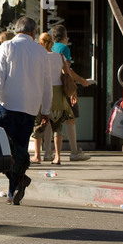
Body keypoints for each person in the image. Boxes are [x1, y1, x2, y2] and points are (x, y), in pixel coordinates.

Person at [0, 16, 52, 205]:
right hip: (30, 108)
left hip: (7, 105)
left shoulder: (6, 47)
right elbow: (47, 84)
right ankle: (13, 190)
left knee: (3, 151)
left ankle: (17, 183)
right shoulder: (41, 52)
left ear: (16, 30)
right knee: (21, 150)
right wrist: (46, 110)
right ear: (33, 32)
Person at [31, 33, 75, 165]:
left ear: (40, 43)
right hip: (58, 93)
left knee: (38, 124)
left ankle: (37, 155)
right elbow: (67, 74)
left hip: (43, 91)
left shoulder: (39, 57)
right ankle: (58, 157)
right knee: (57, 126)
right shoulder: (60, 56)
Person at [50, 24, 91, 161]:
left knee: (53, 120)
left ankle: (47, 152)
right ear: (65, 37)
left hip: (52, 88)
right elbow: (67, 70)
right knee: (71, 118)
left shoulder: (50, 47)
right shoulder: (64, 49)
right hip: (64, 88)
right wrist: (81, 80)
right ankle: (74, 151)